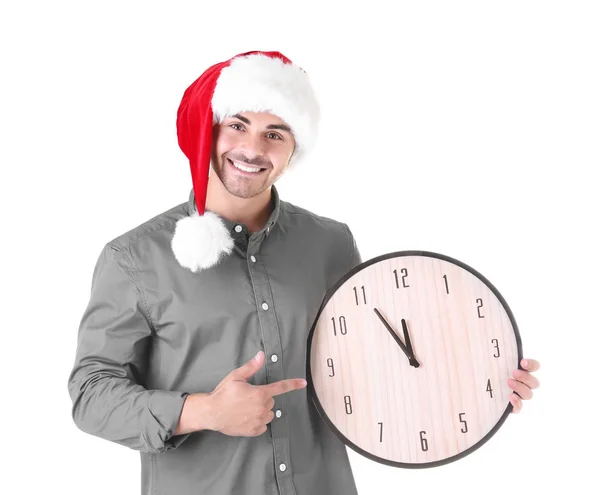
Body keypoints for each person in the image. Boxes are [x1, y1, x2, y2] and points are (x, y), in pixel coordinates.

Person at [67, 50, 541, 495]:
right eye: (237, 125)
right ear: (206, 131)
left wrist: (477, 379)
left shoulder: (330, 243)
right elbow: (91, 395)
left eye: (275, 132)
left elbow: (377, 362)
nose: (253, 149)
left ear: (293, 148)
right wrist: (203, 411)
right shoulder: (134, 256)